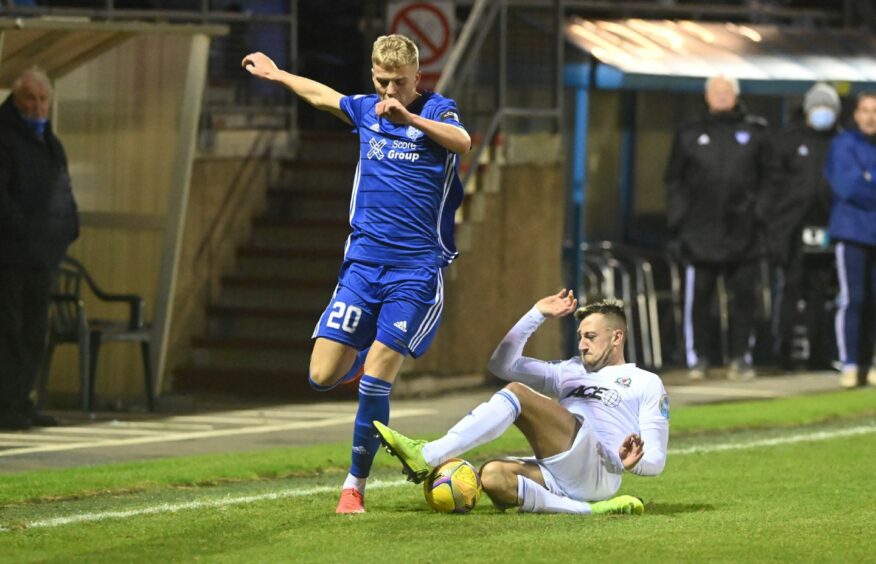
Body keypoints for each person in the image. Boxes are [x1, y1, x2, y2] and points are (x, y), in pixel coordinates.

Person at [242, 34, 471, 513]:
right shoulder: (366, 110)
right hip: (363, 267)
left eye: (401, 83)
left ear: (418, 79)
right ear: (373, 77)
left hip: (414, 271)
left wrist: (410, 117)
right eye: (384, 82)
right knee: (322, 375)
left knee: (375, 376)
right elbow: (324, 96)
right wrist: (278, 73)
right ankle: (365, 347)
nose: (391, 92)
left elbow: (463, 142)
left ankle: (354, 485)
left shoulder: (437, 110)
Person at [374, 290, 669, 515]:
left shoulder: (646, 382)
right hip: (562, 472)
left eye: (590, 337)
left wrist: (635, 462)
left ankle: (428, 454)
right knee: (492, 476)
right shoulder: (567, 371)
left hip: (602, 469)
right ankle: (587, 509)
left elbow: (656, 460)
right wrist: (536, 313)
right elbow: (502, 363)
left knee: (518, 392)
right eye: (580, 336)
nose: (581, 344)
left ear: (616, 337)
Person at [664, 74, 771, 381]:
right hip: (700, 234)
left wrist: (759, 214)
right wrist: (680, 220)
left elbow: (769, 178)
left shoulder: (755, 132)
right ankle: (698, 359)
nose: (722, 96)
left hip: (745, 233)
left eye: (728, 92)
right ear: (707, 97)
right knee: (698, 299)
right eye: (717, 92)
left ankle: (740, 358)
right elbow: (673, 180)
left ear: (736, 96)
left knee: (744, 299)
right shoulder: (689, 133)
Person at [0, 67, 79, 430]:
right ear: (16, 101)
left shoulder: (51, 142)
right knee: (8, 333)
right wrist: (26, 233)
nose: (37, 106)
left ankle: (23, 400)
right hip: (11, 257)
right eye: (29, 99)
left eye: (42, 99)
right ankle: (6, 404)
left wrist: (68, 229)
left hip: (43, 258)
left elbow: (62, 192)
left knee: (34, 333)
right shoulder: (4, 138)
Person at [766, 83, 841, 371]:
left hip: (828, 228)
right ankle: (783, 354)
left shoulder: (840, 142)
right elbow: (773, 186)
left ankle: (818, 354)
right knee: (791, 290)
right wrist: (775, 226)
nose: (823, 113)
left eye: (829, 108)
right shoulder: (788, 140)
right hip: (791, 230)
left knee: (820, 293)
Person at [824, 92, 876, 389]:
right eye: (865, 110)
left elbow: (863, 184)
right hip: (853, 233)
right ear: (855, 115)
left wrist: (869, 180)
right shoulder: (843, 144)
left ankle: (871, 362)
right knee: (853, 299)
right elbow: (849, 186)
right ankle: (851, 363)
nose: (870, 117)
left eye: (875, 111)